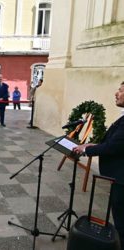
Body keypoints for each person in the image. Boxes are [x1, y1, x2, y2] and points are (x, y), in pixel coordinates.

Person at [73, 81, 124, 249]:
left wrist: (87, 150)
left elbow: (114, 147)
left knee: (122, 222)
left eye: (120, 91)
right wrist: (93, 145)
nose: (116, 93)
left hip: (122, 180)